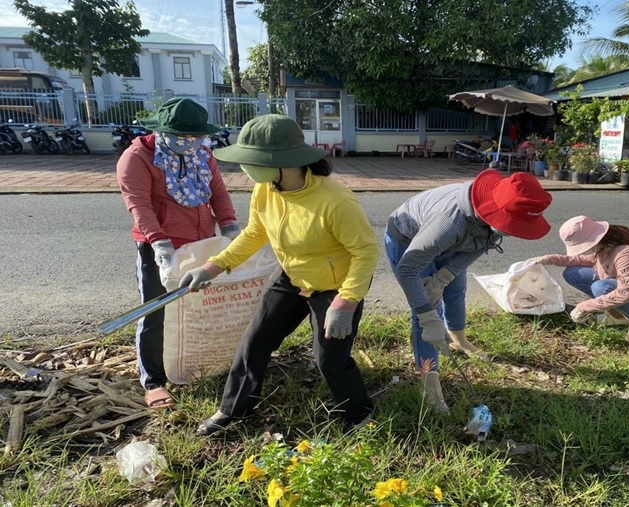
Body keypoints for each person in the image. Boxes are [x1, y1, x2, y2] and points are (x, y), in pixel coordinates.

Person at [180, 114, 379, 435]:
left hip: (336, 286)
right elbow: (254, 233)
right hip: (292, 276)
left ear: (281, 162)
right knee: (255, 341)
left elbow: (366, 251)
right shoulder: (265, 189)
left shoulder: (335, 201)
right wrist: (213, 266)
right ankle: (233, 410)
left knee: (329, 359)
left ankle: (359, 415)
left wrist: (347, 302)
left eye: (252, 161)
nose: (246, 168)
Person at [385, 169, 553, 412]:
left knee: (455, 290)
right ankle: (429, 381)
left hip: (455, 240)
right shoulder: (449, 223)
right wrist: (427, 316)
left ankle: (460, 341)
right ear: (494, 210)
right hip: (409, 241)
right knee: (428, 307)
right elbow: (408, 269)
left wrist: (444, 276)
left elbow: (482, 244)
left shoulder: (491, 215)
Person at [117, 97, 241, 409]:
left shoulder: (202, 154)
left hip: (201, 243)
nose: (191, 142)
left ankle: (195, 363)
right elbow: (140, 206)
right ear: (163, 131)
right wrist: (160, 244)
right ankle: (154, 381)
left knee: (198, 307)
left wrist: (229, 228)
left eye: (197, 137)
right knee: (156, 311)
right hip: (161, 246)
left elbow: (219, 193)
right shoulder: (138, 158)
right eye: (184, 137)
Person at [531, 216, 629, 342]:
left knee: (601, 287)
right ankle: (617, 314)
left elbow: (625, 294)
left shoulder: (626, 253)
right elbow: (580, 260)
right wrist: (548, 259)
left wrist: (583, 307)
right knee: (572, 273)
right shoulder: (605, 245)